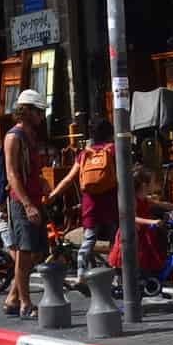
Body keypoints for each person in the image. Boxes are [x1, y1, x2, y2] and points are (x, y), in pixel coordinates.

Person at [44, 114, 118, 278]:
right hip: (111, 202)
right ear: (109, 133)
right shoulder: (113, 150)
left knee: (89, 240)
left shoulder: (85, 154)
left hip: (90, 203)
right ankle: (116, 274)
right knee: (115, 239)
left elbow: (69, 179)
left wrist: (53, 195)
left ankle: (81, 274)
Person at [0, 90, 50, 318]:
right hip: (22, 202)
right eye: (38, 111)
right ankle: (25, 304)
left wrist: (41, 181)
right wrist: (28, 205)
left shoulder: (30, 135)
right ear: (27, 111)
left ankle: (12, 297)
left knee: (35, 253)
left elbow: (30, 169)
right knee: (25, 251)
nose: (41, 116)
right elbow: (12, 174)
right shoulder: (14, 136)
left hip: (34, 198)